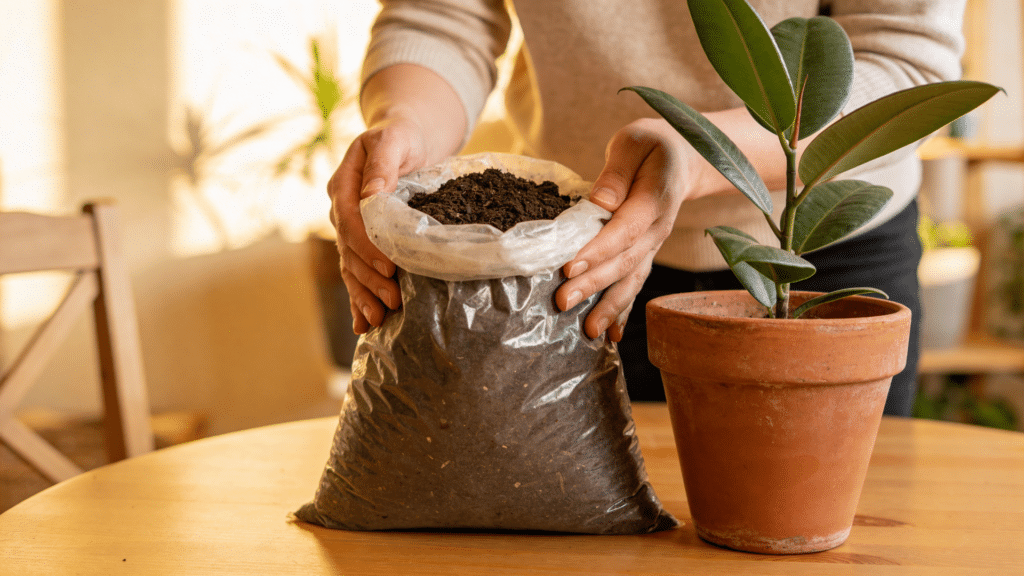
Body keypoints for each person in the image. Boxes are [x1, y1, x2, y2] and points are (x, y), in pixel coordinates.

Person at [328, 0, 967, 417]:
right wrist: (405, 129)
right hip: (576, 251)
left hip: (813, 246)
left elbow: (906, 60)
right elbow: (441, 17)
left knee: (827, 535)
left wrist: (704, 151)